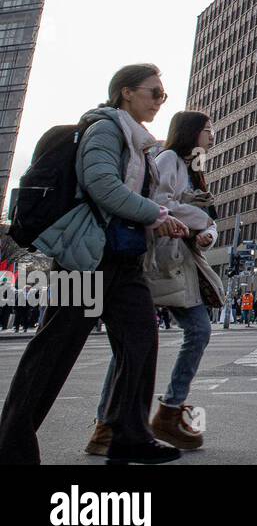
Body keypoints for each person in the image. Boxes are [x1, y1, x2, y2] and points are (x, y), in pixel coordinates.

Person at [0, 64, 187, 465]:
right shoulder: (105, 128)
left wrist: (169, 219)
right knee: (54, 348)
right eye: (153, 92)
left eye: (163, 95)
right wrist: (155, 214)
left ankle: (127, 435)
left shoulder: (139, 143)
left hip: (123, 261)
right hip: (81, 262)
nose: (159, 101)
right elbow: (101, 185)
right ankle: (12, 444)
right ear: (125, 92)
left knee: (140, 341)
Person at [87, 110, 224, 455]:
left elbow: (209, 218)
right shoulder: (168, 159)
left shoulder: (195, 172)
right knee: (135, 342)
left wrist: (207, 232)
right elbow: (159, 203)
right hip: (157, 260)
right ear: (190, 132)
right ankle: (114, 422)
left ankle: (164, 411)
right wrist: (201, 221)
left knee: (162, 337)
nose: (212, 136)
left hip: (178, 261)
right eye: (207, 130)